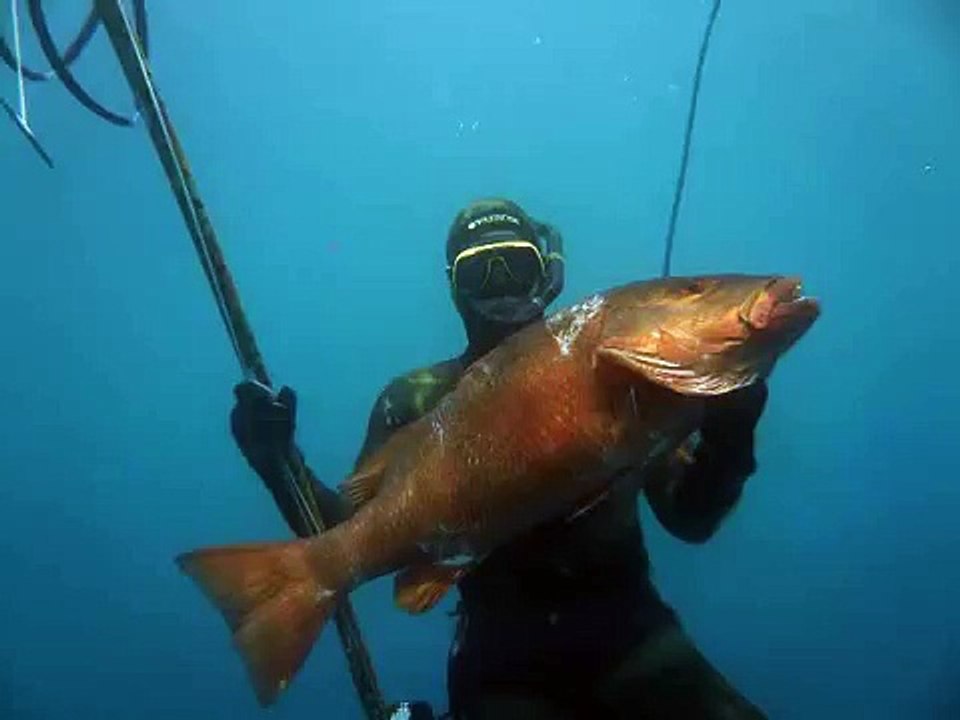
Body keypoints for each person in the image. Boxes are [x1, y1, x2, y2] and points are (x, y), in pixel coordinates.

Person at [230, 198, 770, 719]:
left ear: (545, 274)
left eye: (515, 265)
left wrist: (732, 431)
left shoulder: (618, 368)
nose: (500, 287)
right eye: (480, 273)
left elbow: (691, 517)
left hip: (631, 631)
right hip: (501, 663)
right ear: (454, 288)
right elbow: (348, 533)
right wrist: (278, 462)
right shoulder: (415, 399)